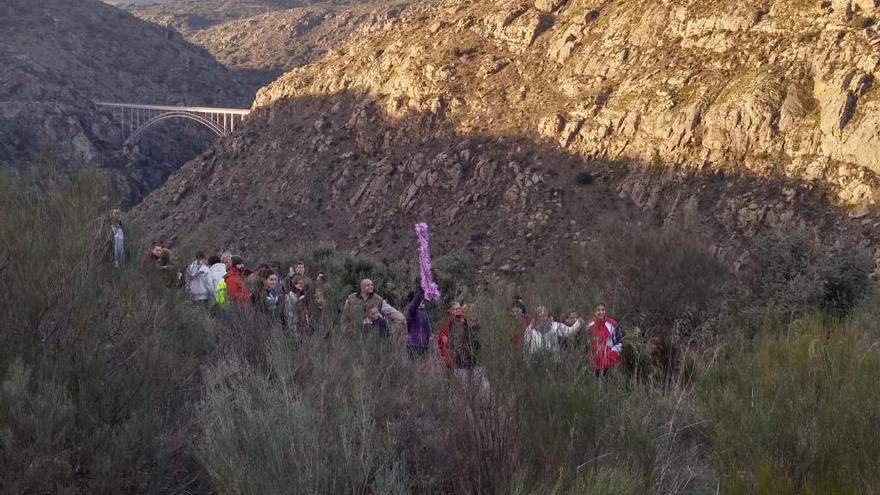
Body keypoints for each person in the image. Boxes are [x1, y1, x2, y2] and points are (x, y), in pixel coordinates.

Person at [437, 301, 487, 391]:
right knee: (463, 390)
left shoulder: (466, 323)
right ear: (450, 311)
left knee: (481, 388)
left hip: (473, 361)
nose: (458, 311)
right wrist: (449, 360)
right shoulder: (449, 325)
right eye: (455, 309)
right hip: (459, 363)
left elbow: (476, 337)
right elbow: (444, 344)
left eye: (459, 308)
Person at [585, 303, 623, 379]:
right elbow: (586, 341)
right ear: (594, 312)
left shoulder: (612, 324)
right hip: (593, 361)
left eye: (603, 310)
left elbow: (619, 341)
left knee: (606, 382)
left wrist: (613, 354)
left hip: (608, 360)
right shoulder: (589, 324)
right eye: (598, 310)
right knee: (594, 383)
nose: (601, 312)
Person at [405, 286, 432, 358]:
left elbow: (427, 327)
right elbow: (415, 301)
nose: (423, 298)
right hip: (414, 345)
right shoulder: (412, 310)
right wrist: (422, 289)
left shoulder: (422, 311)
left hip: (424, 345)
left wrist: (429, 338)